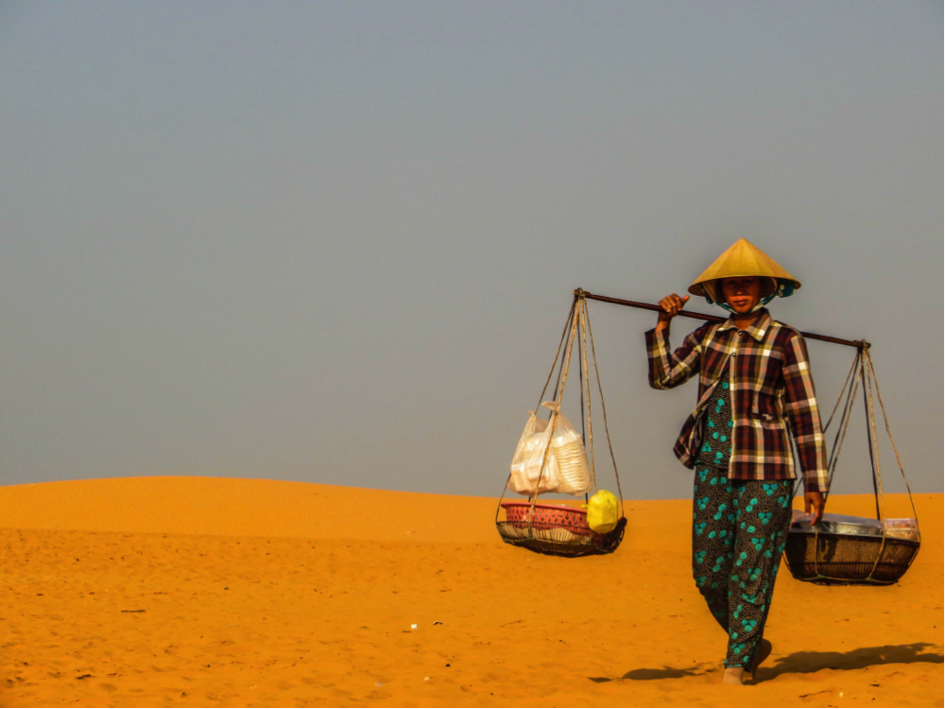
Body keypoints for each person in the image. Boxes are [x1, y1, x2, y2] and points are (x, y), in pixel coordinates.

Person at [645, 238, 828, 686]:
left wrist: (815, 483)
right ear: (720, 292)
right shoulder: (708, 336)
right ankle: (748, 640)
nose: (739, 292)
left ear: (764, 289)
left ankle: (737, 663)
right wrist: (663, 324)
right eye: (731, 285)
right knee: (708, 571)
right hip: (712, 464)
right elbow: (663, 378)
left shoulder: (786, 340)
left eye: (747, 284)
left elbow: (805, 413)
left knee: (752, 567)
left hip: (768, 470)